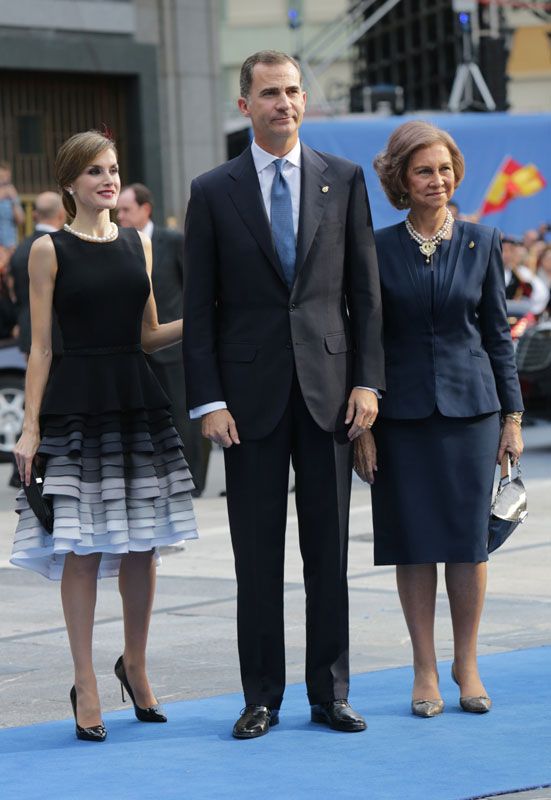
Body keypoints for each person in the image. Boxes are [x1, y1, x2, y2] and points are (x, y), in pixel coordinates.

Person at [183, 50, 384, 739]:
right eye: (269, 93)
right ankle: (260, 696)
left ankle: (329, 693)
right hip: (247, 403)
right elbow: (201, 310)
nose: (284, 104)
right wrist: (208, 400)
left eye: (293, 91)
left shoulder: (345, 180)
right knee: (257, 555)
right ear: (245, 106)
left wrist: (366, 382)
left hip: (330, 396)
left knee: (327, 555)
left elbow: (364, 294)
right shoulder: (213, 191)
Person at [11, 131, 197, 741]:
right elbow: (40, 347)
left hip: (135, 399)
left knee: (142, 545)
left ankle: (135, 666)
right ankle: (86, 680)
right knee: (84, 548)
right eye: (94, 171)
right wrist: (30, 427)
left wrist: (203, 320)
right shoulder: (48, 249)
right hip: (78, 403)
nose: (108, 179)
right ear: (70, 183)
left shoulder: (138, 244)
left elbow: (146, 335)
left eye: (113, 169)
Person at [355, 120, 524, 718]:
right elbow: (365, 338)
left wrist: (512, 416)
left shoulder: (483, 240)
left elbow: (498, 337)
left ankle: (467, 661)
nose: (437, 179)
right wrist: (365, 425)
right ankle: (424, 668)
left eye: (445, 169)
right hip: (398, 416)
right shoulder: (375, 247)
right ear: (401, 178)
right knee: (413, 544)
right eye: (424, 170)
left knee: (468, 545)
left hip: (472, 413)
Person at [117, 183, 210, 496]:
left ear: (146, 209)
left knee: (185, 417)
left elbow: (195, 287)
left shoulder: (171, 241)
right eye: (118, 211)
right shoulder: (121, 244)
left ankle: (193, 482)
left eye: (126, 210)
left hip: (174, 346)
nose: (121, 216)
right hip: (137, 350)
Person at [8, 191, 66, 356]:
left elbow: (16, 294)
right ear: (61, 215)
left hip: (30, 333)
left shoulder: (21, 249)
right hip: (61, 338)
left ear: (34, 215)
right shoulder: (63, 247)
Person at [0, 161, 25, 250]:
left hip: (10, 244)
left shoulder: (11, 195)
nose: (5, 180)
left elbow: (20, 220)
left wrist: (14, 200)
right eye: (2, 177)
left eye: (7, 177)